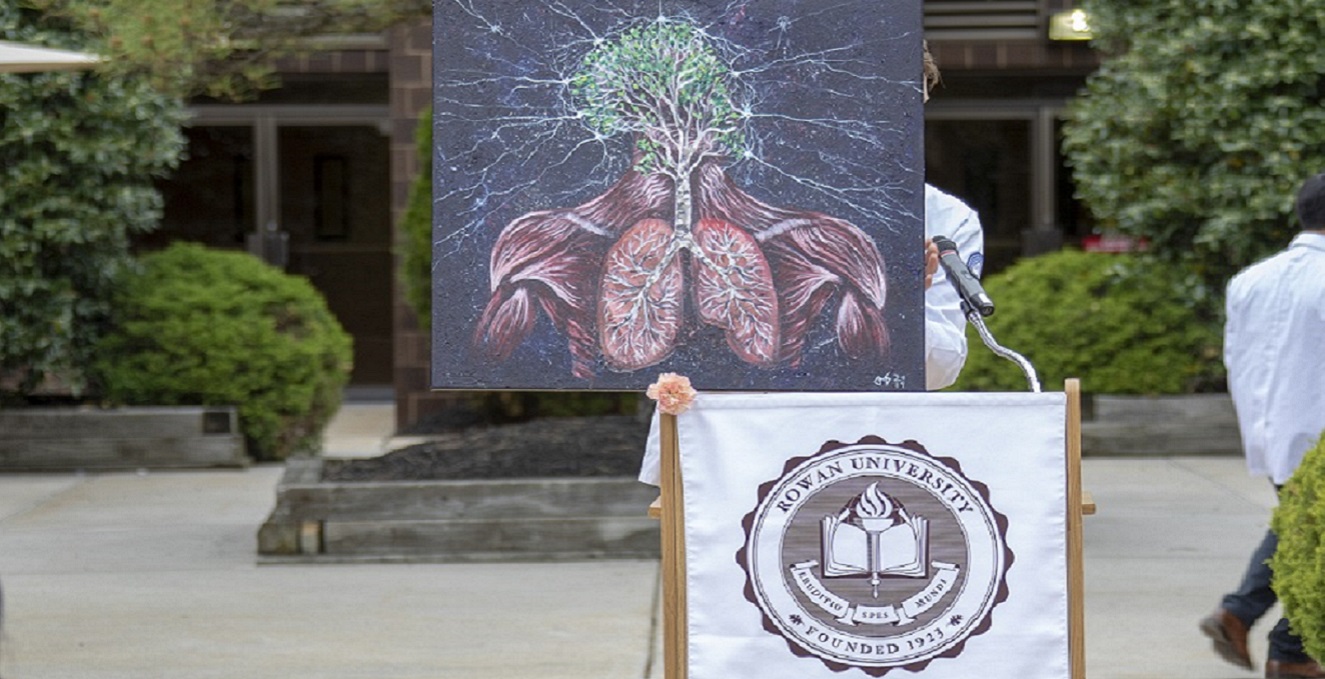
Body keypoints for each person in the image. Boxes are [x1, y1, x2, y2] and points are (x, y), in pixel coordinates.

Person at [637, 43, 985, 485]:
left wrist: (898, 302)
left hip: (863, 457)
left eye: (910, 105)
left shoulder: (945, 219)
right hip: (725, 451)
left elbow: (940, 370)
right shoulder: (728, 187)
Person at [1200, 172, 1325, 679]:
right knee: (1309, 539)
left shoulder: (1251, 279)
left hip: (1275, 430)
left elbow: (1240, 356)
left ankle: (1246, 618)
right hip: (1318, 432)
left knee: (1301, 533)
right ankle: (1285, 646)